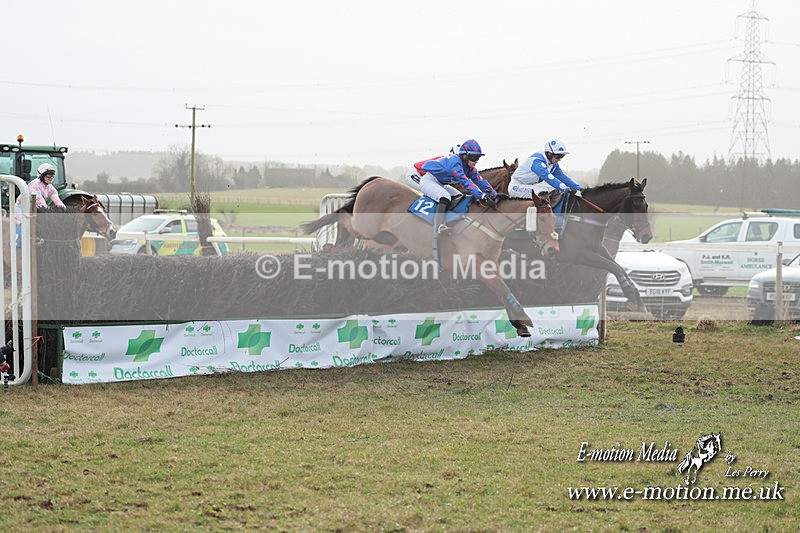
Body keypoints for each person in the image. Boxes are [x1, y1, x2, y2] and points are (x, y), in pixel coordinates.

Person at [404, 140, 499, 253]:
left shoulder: (469, 168)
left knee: (460, 196)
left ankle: (453, 221)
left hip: (440, 183)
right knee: (444, 197)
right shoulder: (455, 163)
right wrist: (482, 196)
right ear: (464, 156)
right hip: (428, 180)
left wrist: (495, 195)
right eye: (474, 158)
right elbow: (466, 183)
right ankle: (439, 227)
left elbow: (481, 181)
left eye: (478, 158)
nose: (476, 161)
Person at [508, 139, 583, 203]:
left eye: (562, 156)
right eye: (557, 156)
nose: (559, 159)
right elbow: (549, 178)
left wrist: (579, 188)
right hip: (516, 187)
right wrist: (567, 190)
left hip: (529, 186)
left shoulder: (553, 165)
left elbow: (563, 178)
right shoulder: (537, 162)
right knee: (542, 192)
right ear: (549, 153)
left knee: (555, 191)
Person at [14, 163, 65, 246]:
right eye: (49, 176)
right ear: (41, 175)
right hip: (21, 208)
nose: (51, 178)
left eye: (52, 176)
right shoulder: (34, 185)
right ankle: (16, 243)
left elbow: (58, 201)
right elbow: (41, 203)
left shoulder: (50, 187)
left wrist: (64, 211)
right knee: (26, 222)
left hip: (34, 208)